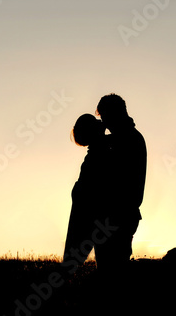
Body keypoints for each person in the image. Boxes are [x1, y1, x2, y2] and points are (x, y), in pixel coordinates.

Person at [94, 93, 147, 272]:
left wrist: (98, 142)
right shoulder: (128, 137)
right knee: (114, 272)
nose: (104, 122)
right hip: (121, 216)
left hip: (118, 217)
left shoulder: (125, 139)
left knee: (112, 273)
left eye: (105, 116)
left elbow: (108, 172)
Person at [62, 114, 111, 267]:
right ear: (92, 130)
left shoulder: (99, 151)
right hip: (97, 216)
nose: (100, 121)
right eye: (94, 121)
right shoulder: (100, 153)